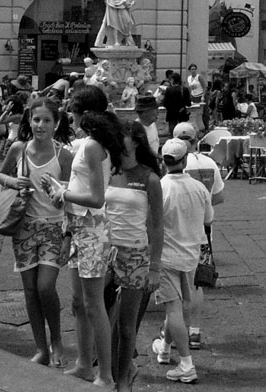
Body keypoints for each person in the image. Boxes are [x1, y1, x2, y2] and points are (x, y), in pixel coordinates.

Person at [44, 85, 123, 387]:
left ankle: (104, 373)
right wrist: (62, 189)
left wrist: (63, 193)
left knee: (93, 303)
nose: (69, 115)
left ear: (83, 113)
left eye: (72, 109)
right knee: (79, 302)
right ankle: (84, 364)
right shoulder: (90, 143)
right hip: (79, 226)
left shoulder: (91, 146)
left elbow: (97, 197)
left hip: (91, 228)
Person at [0, 96, 73, 368]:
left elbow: (70, 200)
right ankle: (41, 347)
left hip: (53, 227)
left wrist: (68, 236)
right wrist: (13, 181)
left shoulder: (64, 155)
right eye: (36, 119)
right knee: (30, 290)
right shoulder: (19, 148)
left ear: (56, 123)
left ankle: (57, 340)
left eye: (46, 120)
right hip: (25, 226)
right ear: (29, 120)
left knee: (45, 287)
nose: (40, 125)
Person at [106, 121, 164, 392]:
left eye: (123, 138)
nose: (118, 143)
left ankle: (122, 378)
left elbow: (157, 226)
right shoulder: (109, 171)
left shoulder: (150, 179)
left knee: (127, 326)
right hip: (107, 252)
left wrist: (155, 267)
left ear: (137, 142)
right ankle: (115, 370)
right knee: (100, 315)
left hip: (135, 254)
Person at [150, 137, 214, 385]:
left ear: (163, 161)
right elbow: (208, 219)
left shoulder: (161, 188)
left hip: (166, 256)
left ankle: (186, 364)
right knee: (177, 307)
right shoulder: (199, 188)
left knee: (172, 308)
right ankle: (165, 348)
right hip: (190, 256)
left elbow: (152, 224)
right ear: (185, 160)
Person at [173, 122, 226, 351]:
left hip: (176, 232)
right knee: (195, 285)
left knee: (173, 287)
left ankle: (172, 331)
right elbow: (219, 196)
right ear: (196, 140)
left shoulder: (173, 166)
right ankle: (194, 331)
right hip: (202, 231)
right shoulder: (209, 162)